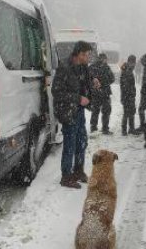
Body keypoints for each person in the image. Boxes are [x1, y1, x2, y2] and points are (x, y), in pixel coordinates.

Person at [52, 41, 100, 188]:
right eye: (86, 55)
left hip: (78, 111)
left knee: (82, 142)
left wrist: (94, 81)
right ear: (79, 54)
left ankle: (78, 171)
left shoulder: (83, 67)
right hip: (67, 111)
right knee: (70, 144)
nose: (88, 58)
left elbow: (86, 80)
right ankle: (66, 176)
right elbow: (57, 92)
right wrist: (78, 98)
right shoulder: (64, 68)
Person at [89, 53, 115, 135]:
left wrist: (97, 83)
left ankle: (95, 128)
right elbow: (112, 79)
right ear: (103, 59)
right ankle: (103, 128)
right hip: (103, 92)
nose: (105, 60)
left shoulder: (92, 67)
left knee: (97, 111)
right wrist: (104, 83)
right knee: (104, 111)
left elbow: (112, 78)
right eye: (105, 59)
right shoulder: (105, 67)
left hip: (98, 92)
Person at [120, 55, 139, 136]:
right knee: (127, 113)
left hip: (129, 95)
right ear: (131, 62)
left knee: (131, 112)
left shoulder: (128, 69)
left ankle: (131, 129)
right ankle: (124, 130)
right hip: (127, 96)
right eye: (134, 62)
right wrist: (129, 94)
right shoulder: (127, 70)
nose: (134, 65)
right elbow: (125, 85)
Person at [134, 54, 146, 134]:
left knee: (142, 109)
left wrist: (145, 91)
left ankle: (144, 126)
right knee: (145, 110)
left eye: (142, 61)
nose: (142, 63)